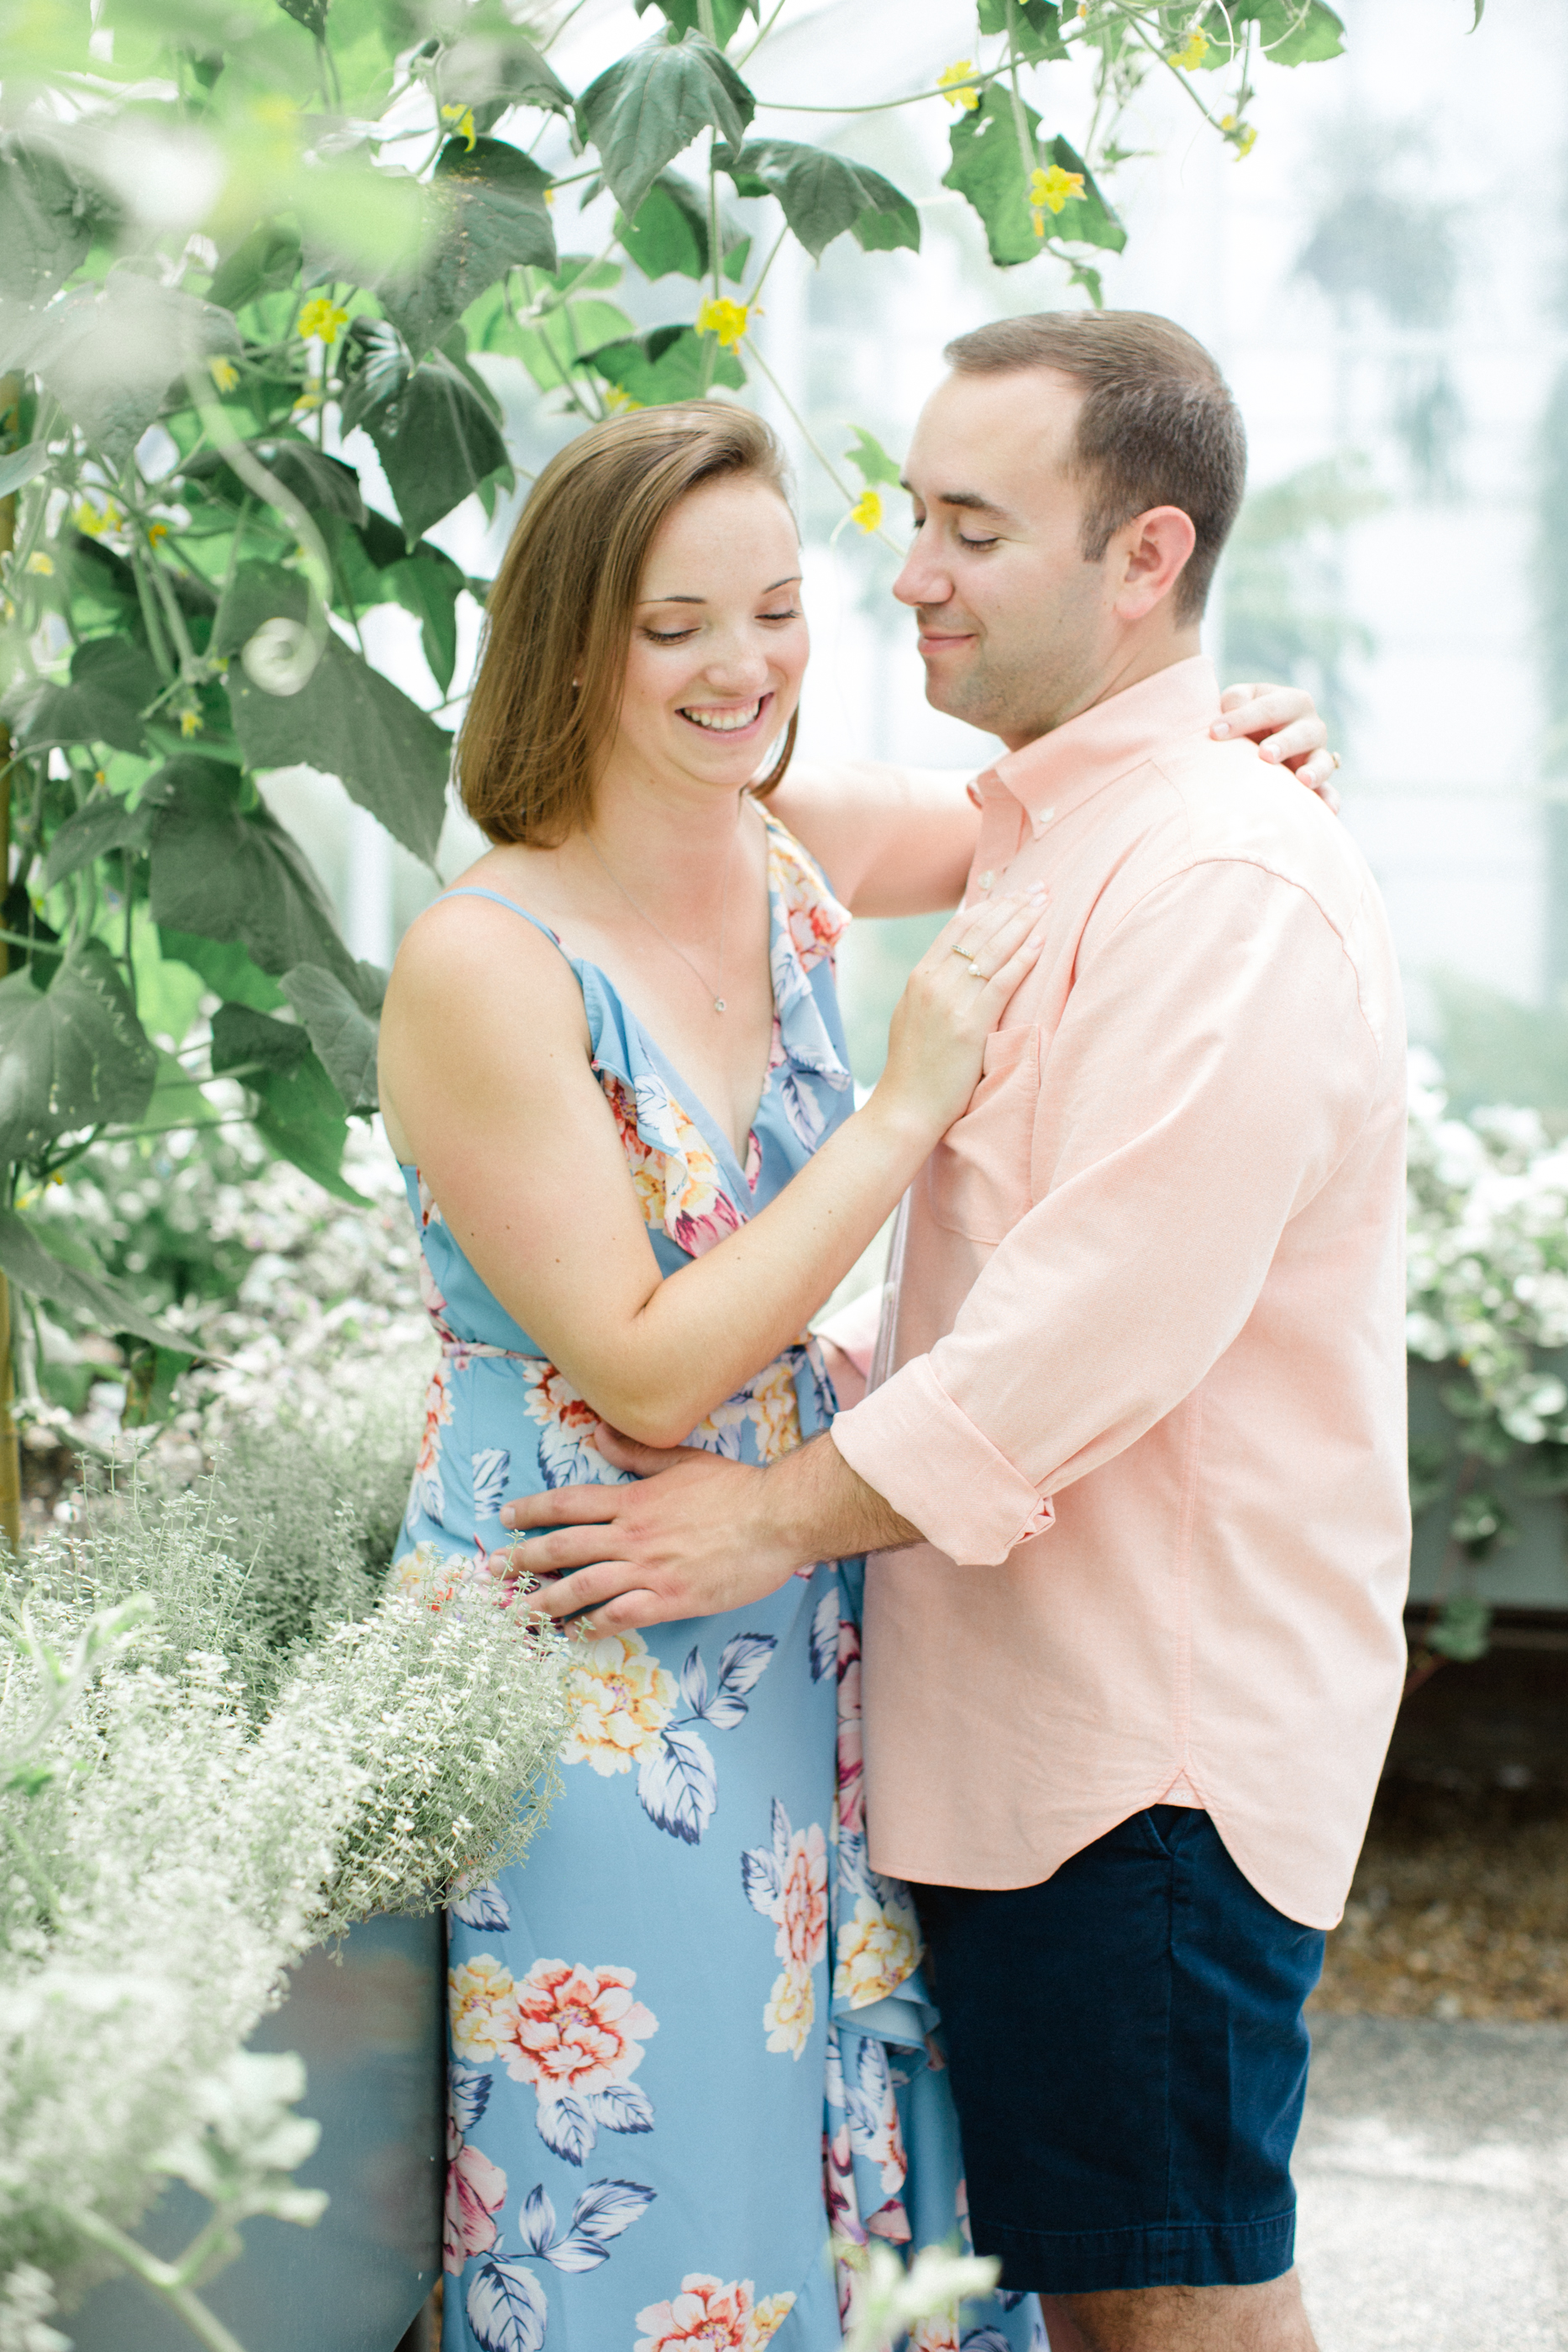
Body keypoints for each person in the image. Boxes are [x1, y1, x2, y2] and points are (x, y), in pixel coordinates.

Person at [501, 317, 1408, 2352]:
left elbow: (1093, 1327)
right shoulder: (1053, 817)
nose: (907, 568)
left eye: (972, 527)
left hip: (1135, 1756)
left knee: (1167, 2307)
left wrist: (756, 1523)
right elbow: (711, 778)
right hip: (1024, 1736)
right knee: (1109, 2295)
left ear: (1144, 556)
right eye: (912, 512)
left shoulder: (1220, 876)